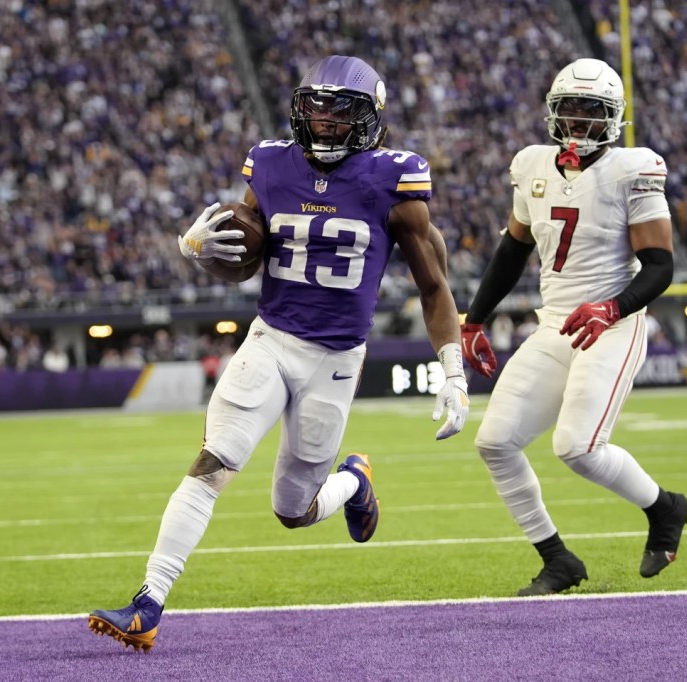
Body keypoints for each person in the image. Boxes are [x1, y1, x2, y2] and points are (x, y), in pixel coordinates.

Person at [89, 55, 469, 651]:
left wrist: (453, 370)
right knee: (213, 463)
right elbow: (244, 258)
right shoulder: (270, 164)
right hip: (270, 340)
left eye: (339, 113)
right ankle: (149, 602)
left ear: (369, 119)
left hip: (335, 360)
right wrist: (200, 250)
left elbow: (433, 286)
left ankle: (354, 483)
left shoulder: (394, 179)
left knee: (293, 511)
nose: (323, 122)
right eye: (315, 110)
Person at [460, 58, 687, 596]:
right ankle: (557, 559)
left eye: (592, 110)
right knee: (494, 442)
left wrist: (612, 307)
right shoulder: (531, 164)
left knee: (577, 447)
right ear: (553, 112)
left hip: (613, 325)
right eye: (570, 109)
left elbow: (660, 265)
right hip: (556, 326)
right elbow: (513, 248)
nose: (579, 120)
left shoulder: (634, 168)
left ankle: (664, 507)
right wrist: (475, 319)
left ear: (613, 117)